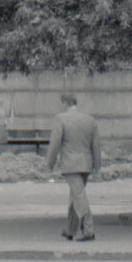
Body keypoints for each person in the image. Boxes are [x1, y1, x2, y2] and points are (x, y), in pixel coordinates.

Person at [45, 93, 102, 241]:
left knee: (78, 196)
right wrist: (97, 167)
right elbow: (96, 146)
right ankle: (71, 230)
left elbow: (54, 144)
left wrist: (49, 165)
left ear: (65, 103)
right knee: (75, 195)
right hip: (86, 164)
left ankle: (89, 230)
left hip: (70, 164)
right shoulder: (90, 120)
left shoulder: (60, 119)